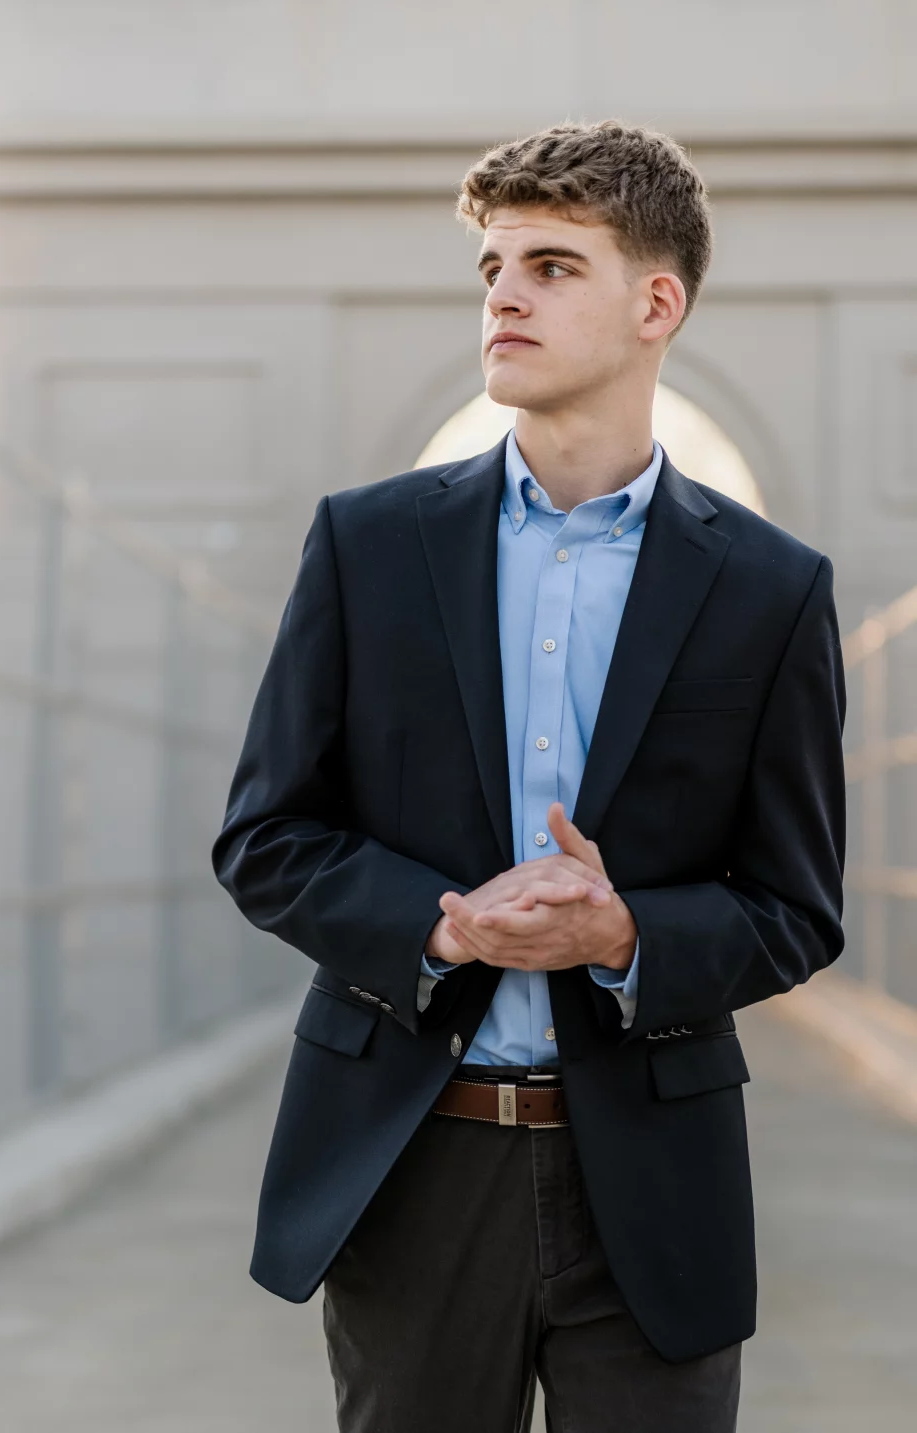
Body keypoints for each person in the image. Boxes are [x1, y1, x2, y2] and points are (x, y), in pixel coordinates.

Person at [211, 119, 846, 1433]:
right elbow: (264, 835)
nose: (503, 293)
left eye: (553, 265)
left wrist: (629, 933)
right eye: (493, 265)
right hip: (410, 1162)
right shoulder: (365, 546)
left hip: (655, 1186)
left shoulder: (775, 593)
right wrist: (441, 924)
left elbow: (796, 905)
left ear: (654, 301)